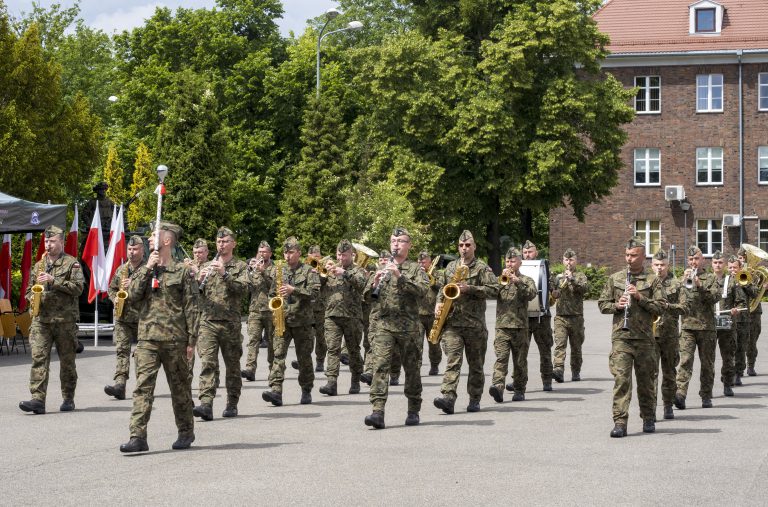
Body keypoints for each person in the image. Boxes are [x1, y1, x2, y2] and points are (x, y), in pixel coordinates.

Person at [120, 222, 198, 452]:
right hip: (147, 339)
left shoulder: (183, 272)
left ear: (167, 240)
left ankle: (185, 431)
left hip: (175, 339)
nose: (150, 238)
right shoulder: (145, 269)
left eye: (156, 235)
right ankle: (138, 437)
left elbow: (192, 307)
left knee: (180, 389)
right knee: (142, 388)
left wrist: (192, 341)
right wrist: (146, 269)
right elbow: (131, 296)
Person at [598, 238, 665, 438]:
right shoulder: (616, 278)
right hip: (622, 337)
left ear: (643, 256)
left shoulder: (653, 280)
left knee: (646, 381)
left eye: (634, 255)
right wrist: (617, 305)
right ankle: (620, 422)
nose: (629, 259)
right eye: (627, 255)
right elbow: (602, 304)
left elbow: (661, 306)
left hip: (645, 338)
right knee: (621, 380)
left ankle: (648, 417)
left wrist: (639, 297)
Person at [364, 227, 428, 429]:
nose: (396, 244)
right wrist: (373, 284)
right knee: (380, 367)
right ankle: (377, 411)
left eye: (400, 241)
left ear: (408, 245)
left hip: (408, 327)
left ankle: (413, 409)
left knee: (412, 369)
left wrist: (400, 276)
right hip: (384, 325)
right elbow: (366, 298)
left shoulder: (416, 269)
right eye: (393, 240)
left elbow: (422, 291)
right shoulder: (382, 268)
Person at [19, 225, 84, 415]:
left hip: (65, 321)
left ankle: (68, 398)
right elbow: (29, 290)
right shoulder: (38, 265)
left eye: (52, 241)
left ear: (61, 242)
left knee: (67, 362)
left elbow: (78, 288)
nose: (48, 245)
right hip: (41, 320)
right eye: (46, 241)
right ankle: (37, 400)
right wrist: (32, 298)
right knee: (39, 359)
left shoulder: (72, 264)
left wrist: (53, 281)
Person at [433, 230, 498, 414]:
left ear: (474, 247)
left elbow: (494, 290)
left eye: (467, 245)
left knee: (476, 365)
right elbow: (443, 288)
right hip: (453, 324)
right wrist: (438, 302)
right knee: (453, 361)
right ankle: (448, 397)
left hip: (474, 325)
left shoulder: (482, 268)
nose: (464, 248)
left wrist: (470, 288)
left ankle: (474, 399)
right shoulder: (452, 267)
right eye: (461, 245)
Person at [193, 227, 250, 420]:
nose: (221, 245)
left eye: (225, 241)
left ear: (233, 243)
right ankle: (206, 404)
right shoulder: (207, 266)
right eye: (218, 242)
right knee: (208, 363)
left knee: (232, 366)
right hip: (208, 321)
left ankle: (232, 403)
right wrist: (198, 282)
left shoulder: (240, 266)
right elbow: (196, 297)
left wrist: (225, 274)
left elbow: (243, 290)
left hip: (230, 323)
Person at [262, 237, 320, 406]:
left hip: (303, 323)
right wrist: (273, 304)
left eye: (291, 252)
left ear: (299, 253)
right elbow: (272, 293)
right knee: (278, 357)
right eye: (285, 253)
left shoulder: (309, 271)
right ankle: (276, 391)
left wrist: (294, 290)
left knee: (304, 359)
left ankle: (306, 389)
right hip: (283, 320)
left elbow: (315, 294)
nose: (287, 256)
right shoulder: (280, 271)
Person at [319, 240, 367, 396]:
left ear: (352, 255)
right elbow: (317, 287)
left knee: (353, 350)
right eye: (339, 254)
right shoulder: (330, 268)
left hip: (352, 316)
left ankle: (355, 379)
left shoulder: (358, 269)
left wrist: (344, 273)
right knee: (332, 349)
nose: (341, 258)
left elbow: (362, 285)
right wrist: (322, 274)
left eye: (344, 255)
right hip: (332, 315)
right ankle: (331, 382)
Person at [489, 247, 537, 403]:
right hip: (502, 326)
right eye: (508, 261)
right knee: (501, 358)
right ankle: (498, 387)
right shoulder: (500, 279)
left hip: (520, 326)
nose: (510, 264)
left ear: (520, 262)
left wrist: (518, 282)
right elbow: (489, 293)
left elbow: (531, 294)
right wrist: (498, 280)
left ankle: (519, 389)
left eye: (513, 261)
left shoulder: (527, 280)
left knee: (519, 361)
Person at [675, 246, 720, 410]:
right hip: (688, 326)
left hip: (706, 328)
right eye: (691, 259)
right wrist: (682, 281)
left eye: (696, 259)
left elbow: (714, 298)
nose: (694, 262)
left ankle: (706, 395)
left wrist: (700, 285)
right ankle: (680, 394)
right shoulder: (684, 277)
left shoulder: (711, 278)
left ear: (703, 260)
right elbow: (677, 298)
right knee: (685, 361)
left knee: (707, 364)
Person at [104, 235, 145, 400]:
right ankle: (120, 385)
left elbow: (154, 291)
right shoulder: (122, 270)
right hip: (122, 317)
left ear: (142, 250)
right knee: (122, 351)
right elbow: (111, 288)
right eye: (129, 249)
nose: (132, 252)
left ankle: (143, 386)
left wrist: (133, 285)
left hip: (143, 318)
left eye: (135, 249)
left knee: (142, 354)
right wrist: (114, 298)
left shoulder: (148, 269)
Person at [511, 240, 555, 392]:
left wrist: (553, 292)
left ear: (536, 253)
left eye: (530, 252)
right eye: (525, 252)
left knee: (545, 350)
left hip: (542, 316)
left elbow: (554, 289)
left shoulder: (545, 268)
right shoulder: (515, 270)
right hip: (523, 316)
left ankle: (547, 379)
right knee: (520, 351)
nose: (527, 255)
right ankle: (518, 380)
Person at [650, 249, 687, 420]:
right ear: (652, 265)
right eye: (656, 265)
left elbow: (685, 307)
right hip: (650, 335)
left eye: (663, 265)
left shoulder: (677, 283)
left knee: (669, 372)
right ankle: (650, 409)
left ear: (668, 265)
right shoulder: (646, 283)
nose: (659, 268)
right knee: (651, 374)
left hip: (670, 335)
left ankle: (667, 406)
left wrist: (668, 307)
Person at [551, 249, 589, 382]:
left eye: (571, 260)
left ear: (576, 261)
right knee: (560, 345)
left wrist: (572, 279)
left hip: (576, 317)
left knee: (576, 347)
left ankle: (576, 371)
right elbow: (554, 294)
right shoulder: (557, 277)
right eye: (566, 260)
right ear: (563, 261)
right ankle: (558, 370)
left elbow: (585, 289)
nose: (569, 263)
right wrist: (554, 294)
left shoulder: (580, 276)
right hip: (561, 316)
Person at [711, 251, 744, 397]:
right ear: (711, 264)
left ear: (724, 265)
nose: (718, 265)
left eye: (720, 263)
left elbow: (740, 301)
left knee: (728, 355)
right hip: (709, 324)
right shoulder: (705, 281)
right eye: (715, 262)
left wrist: (736, 308)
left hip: (727, 323)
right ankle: (707, 388)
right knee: (708, 358)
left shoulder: (731, 281)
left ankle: (727, 384)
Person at [242, 240, 275, 381]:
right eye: (260, 252)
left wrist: (264, 273)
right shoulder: (254, 268)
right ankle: (250, 369)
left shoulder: (275, 269)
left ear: (270, 253)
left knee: (273, 342)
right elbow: (246, 287)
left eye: (265, 252)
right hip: (255, 310)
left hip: (271, 310)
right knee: (253, 340)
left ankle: (273, 369)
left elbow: (275, 286)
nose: (262, 254)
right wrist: (249, 271)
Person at [184, 238, 210, 386]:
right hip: (189, 314)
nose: (197, 255)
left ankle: (210, 379)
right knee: (188, 350)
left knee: (205, 351)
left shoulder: (210, 266)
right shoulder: (187, 267)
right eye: (195, 252)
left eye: (200, 252)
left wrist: (196, 271)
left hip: (205, 314)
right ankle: (187, 379)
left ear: (206, 252)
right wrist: (186, 269)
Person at [738, 246, 764, 377]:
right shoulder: (735, 273)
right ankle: (739, 368)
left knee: (752, 340)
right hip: (740, 310)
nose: (742, 261)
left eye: (744, 258)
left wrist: (765, 287)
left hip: (754, 311)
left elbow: (758, 292)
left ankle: (751, 365)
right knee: (739, 340)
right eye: (740, 258)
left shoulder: (754, 274)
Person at [729, 255, 752, 386]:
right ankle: (729, 373)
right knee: (729, 348)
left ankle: (738, 373)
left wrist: (745, 283)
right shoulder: (726, 280)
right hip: (729, 319)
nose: (733, 270)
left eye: (735, 267)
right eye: (730, 267)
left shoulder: (745, 277)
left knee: (741, 348)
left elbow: (755, 293)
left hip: (743, 319)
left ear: (740, 267)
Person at [418, 251, 442, 376]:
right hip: (418, 314)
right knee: (417, 343)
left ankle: (435, 364)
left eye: (424, 261)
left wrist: (434, 282)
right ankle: (416, 367)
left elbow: (444, 287)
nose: (421, 263)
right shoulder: (416, 273)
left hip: (433, 313)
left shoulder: (437, 273)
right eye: (420, 261)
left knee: (434, 342)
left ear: (430, 262)